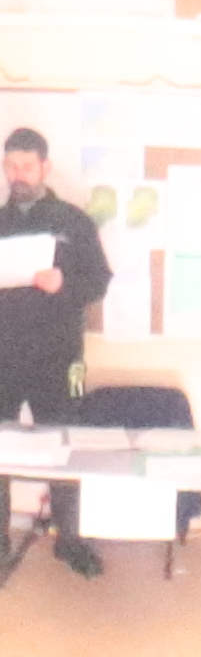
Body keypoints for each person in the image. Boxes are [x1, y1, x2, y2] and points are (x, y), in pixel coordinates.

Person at [0, 123, 109, 579]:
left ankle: (71, 539)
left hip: (61, 357)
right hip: (4, 357)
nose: (18, 174)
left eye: (27, 165)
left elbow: (99, 281)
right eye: (10, 166)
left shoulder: (72, 220)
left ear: (45, 166)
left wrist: (64, 283)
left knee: (67, 446)